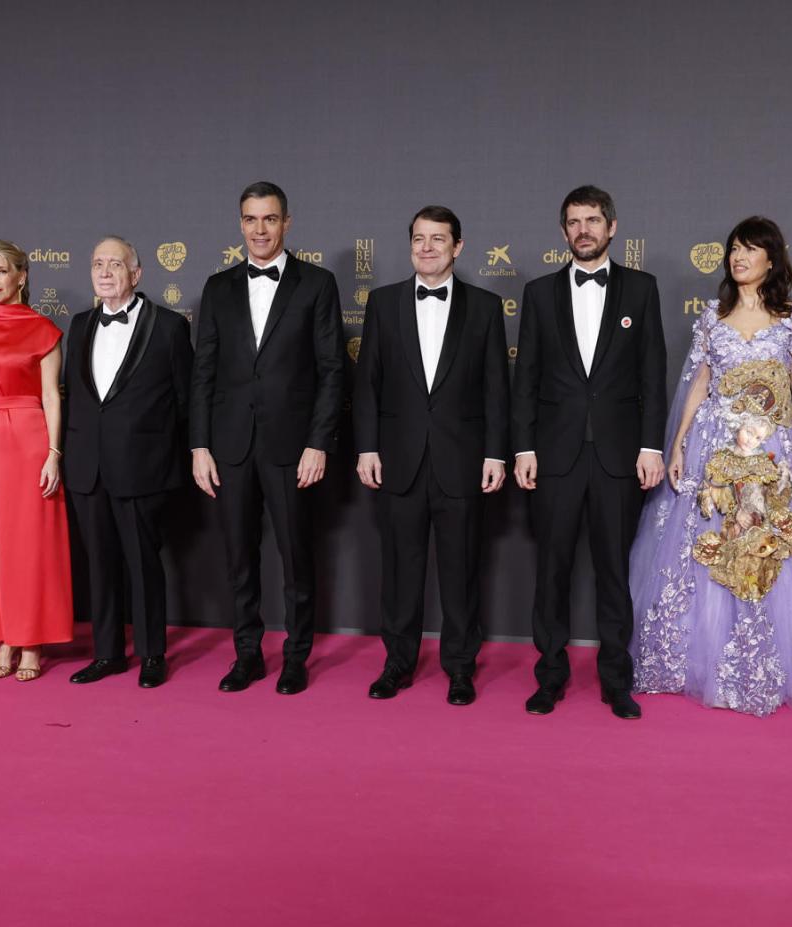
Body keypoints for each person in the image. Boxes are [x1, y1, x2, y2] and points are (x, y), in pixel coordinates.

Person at [630, 217, 792, 716]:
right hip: (715, 452)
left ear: (771, 260)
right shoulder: (712, 317)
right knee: (707, 546)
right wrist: (681, 442)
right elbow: (698, 382)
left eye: (750, 249)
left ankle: (767, 663)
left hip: (773, 454)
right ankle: (695, 662)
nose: (738, 257)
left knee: (771, 547)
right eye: (734, 248)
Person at [512, 185, 666, 719]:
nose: (584, 230)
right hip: (554, 456)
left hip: (619, 457)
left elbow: (653, 374)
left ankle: (615, 680)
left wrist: (650, 446)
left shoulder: (642, 289)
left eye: (593, 220)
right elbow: (525, 378)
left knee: (612, 574)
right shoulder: (538, 293)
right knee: (550, 571)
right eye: (574, 222)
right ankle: (549, 676)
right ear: (563, 232)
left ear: (612, 227)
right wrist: (524, 447)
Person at [190, 181, 343, 695]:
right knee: (239, 558)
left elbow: (331, 371)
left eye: (270, 219)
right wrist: (199, 446)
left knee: (298, 559)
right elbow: (203, 373)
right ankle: (248, 655)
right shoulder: (217, 287)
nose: (260, 229)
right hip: (230, 446)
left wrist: (318, 443)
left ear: (287, 223)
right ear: (240, 224)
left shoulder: (317, 284)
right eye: (251, 220)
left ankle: (297, 657)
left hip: (292, 446)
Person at [353, 205, 509, 706]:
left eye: (437, 239)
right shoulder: (383, 302)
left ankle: (460, 667)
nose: (426, 247)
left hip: (461, 460)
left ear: (457, 247)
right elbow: (368, 385)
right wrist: (367, 446)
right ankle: (397, 663)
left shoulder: (485, 307)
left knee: (461, 571)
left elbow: (495, 390)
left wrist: (495, 454)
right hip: (398, 459)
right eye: (419, 238)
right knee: (400, 570)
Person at [64, 237, 191, 689]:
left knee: (143, 565)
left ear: (136, 274)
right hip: (87, 467)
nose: (104, 271)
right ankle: (107, 654)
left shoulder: (170, 327)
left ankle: (153, 653)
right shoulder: (78, 324)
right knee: (99, 566)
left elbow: (184, 402)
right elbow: (75, 398)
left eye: (114, 264)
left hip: (143, 467)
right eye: (97, 263)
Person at [0, 240, 73, 680]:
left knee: (28, 544)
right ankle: (4, 635)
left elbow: (50, 397)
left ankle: (31, 640)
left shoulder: (43, 328)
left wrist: (53, 455)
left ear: (22, 275)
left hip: (27, 438)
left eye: (1, 271)